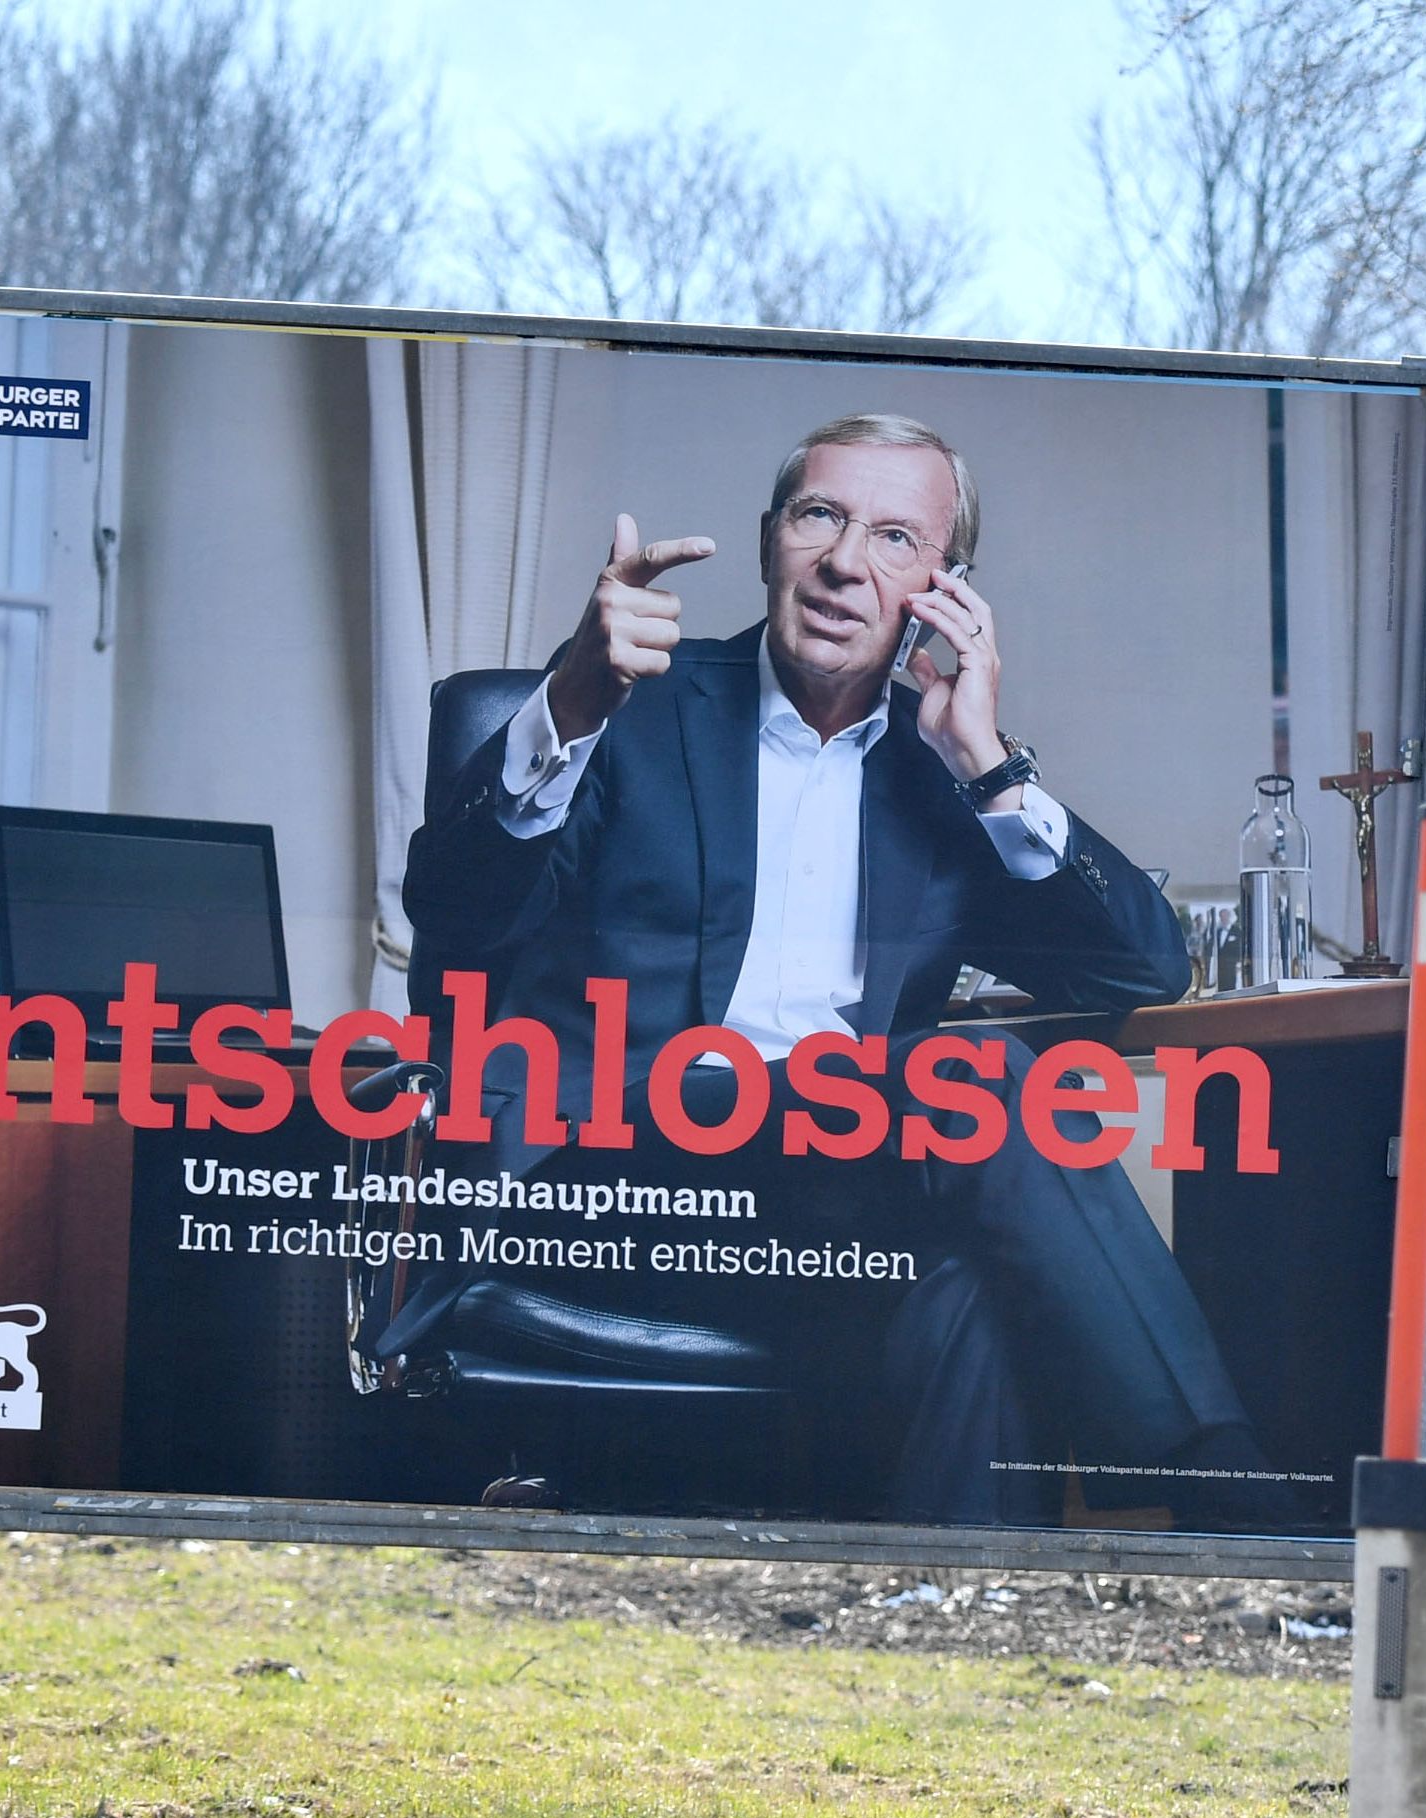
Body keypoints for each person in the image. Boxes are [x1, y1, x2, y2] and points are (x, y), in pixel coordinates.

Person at [396, 412, 1257, 1520]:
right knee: (985, 1077)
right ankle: (1231, 1506)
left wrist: (989, 766)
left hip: (830, 1212)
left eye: (897, 539)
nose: (848, 560)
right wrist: (568, 700)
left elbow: (1143, 968)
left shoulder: (939, 773)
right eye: (822, 517)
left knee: (973, 1305)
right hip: (613, 1182)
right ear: (770, 544)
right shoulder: (629, 708)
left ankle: (952, 1649)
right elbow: (454, 913)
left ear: (946, 590)